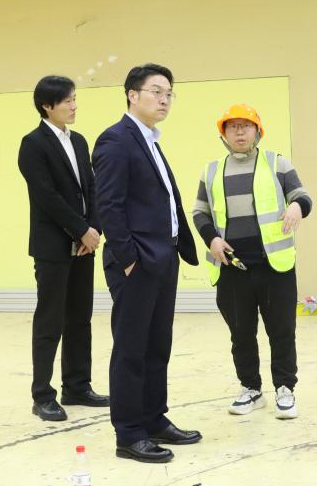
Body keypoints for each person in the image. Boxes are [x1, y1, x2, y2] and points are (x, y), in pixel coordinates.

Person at [92, 63, 200, 463]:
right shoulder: (116, 140)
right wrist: (128, 260)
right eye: (156, 91)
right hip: (137, 262)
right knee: (131, 349)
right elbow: (108, 204)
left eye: (169, 93)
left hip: (163, 257)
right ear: (132, 95)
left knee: (157, 346)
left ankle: (154, 419)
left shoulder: (150, 140)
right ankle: (129, 433)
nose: (164, 99)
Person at [192, 104, 312, 420]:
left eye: (246, 126)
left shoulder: (277, 163)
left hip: (274, 266)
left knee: (282, 331)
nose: (240, 132)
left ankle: (285, 388)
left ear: (258, 131)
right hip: (232, 268)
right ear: (224, 134)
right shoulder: (211, 171)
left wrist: (297, 207)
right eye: (232, 127)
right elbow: (200, 212)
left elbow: (302, 196)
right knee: (241, 334)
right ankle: (251, 389)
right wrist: (211, 239)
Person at [17, 75, 107, 422]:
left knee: (80, 318)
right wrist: (80, 229)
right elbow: (47, 197)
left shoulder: (79, 141)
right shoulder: (32, 144)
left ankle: (77, 386)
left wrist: (94, 228)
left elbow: (92, 189)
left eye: (74, 99)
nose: (74, 106)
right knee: (50, 320)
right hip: (53, 246)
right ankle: (42, 395)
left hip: (85, 245)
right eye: (67, 100)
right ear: (47, 106)